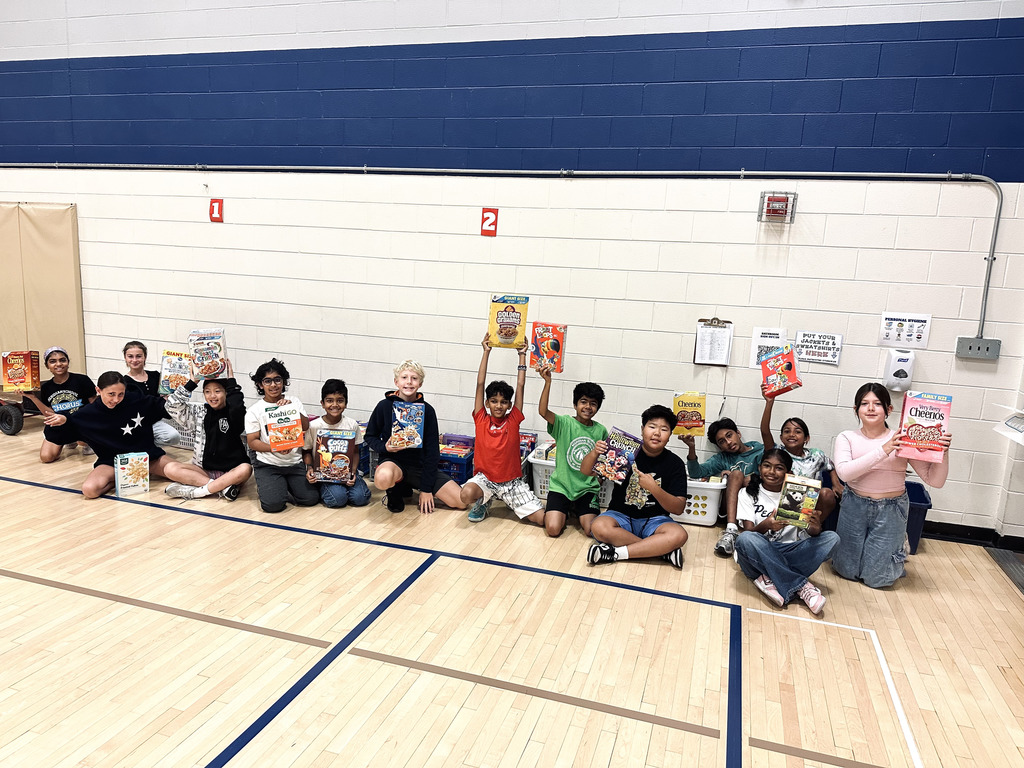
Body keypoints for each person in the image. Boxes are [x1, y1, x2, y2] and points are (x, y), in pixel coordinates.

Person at [832, 382, 951, 588]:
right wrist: (884, 449)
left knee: (878, 580)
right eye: (864, 403)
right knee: (846, 571)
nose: (870, 408)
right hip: (854, 505)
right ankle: (887, 550)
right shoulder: (847, 437)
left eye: (877, 404)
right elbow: (844, 473)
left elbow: (935, 481)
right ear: (856, 409)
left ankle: (895, 547)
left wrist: (944, 452)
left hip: (891, 509)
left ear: (889, 410)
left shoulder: (903, 439)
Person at [42, 371, 197, 499]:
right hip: (112, 462)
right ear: (98, 391)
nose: (116, 399)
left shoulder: (136, 400)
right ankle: (128, 478)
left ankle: (215, 483)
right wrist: (63, 421)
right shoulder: (86, 414)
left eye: (120, 394)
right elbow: (58, 437)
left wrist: (191, 383)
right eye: (111, 394)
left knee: (178, 470)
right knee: (89, 490)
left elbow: (166, 408)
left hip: (146, 457)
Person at [733, 449, 840, 614]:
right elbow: (749, 532)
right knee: (745, 539)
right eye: (767, 466)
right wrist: (767, 524)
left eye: (779, 468)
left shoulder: (799, 494)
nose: (772, 472)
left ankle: (770, 578)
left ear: (788, 472)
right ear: (760, 468)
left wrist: (815, 528)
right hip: (758, 552)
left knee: (831, 538)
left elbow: (810, 533)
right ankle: (802, 586)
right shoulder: (748, 493)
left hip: (789, 551)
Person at [583, 404, 688, 568]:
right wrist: (595, 453)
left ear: (670, 435)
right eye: (652, 426)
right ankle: (659, 551)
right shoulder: (625, 452)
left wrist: (653, 488)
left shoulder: (675, 464)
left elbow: (678, 508)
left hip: (655, 520)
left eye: (664, 429)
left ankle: (615, 553)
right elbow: (586, 471)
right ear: (642, 429)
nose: (657, 433)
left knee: (679, 535)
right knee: (598, 527)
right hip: (619, 516)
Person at [460, 335, 544, 525]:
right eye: (494, 401)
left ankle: (509, 500)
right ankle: (484, 500)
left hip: (511, 483)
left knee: (541, 520)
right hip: (485, 479)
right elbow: (480, 384)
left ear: (509, 405)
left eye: (504, 402)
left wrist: (522, 355)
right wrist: (486, 352)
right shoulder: (481, 418)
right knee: (465, 495)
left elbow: (520, 385)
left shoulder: (513, 419)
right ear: (487, 403)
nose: (499, 405)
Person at [364, 359, 464, 514]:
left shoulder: (427, 410)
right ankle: (394, 490)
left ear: (420, 384)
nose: (409, 382)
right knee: (383, 478)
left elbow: (432, 452)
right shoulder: (384, 406)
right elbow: (370, 436)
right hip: (393, 463)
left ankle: (408, 486)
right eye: (404, 377)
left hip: (420, 466)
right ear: (396, 381)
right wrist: (385, 447)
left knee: (461, 502)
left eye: (414, 378)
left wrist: (426, 489)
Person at [161, 359, 252, 501]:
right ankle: (222, 488)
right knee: (169, 468)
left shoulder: (233, 413)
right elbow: (171, 406)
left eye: (217, 391)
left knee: (246, 469)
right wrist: (193, 381)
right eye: (207, 392)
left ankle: (195, 492)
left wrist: (232, 382)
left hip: (231, 471)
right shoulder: (198, 412)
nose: (212, 396)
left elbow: (238, 408)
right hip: (204, 471)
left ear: (226, 393)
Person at [537, 365, 608, 537]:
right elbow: (543, 411)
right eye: (583, 402)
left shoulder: (601, 431)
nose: (588, 407)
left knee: (591, 530)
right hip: (561, 487)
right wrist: (547, 382)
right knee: (553, 529)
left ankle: (577, 508)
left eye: (593, 404)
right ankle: (565, 509)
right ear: (575, 404)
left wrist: (599, 478)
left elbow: (604, 462)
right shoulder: (564, 423)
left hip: (587, 489)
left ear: (597, 407)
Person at [679, 417, 764, 558]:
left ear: (738, 433)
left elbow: (770, 477)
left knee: (737, 475)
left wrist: (744, 479)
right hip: (731, 509)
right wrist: (691, 447)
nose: (728, 442)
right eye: (721, 442)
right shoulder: (722, 459)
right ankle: (731, 530)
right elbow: (696, 473)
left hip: (756, 504)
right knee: (736, 474)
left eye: (729, 435)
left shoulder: (760, 451)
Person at [245, 358, 320, 514]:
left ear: (284, 382)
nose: (273, 385)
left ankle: (285, 486)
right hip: (268, 463)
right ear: (260, 385)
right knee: (273, 506)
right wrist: (275, 448)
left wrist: (292, 409)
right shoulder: (254, 410)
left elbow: (306, 426)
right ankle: (275, 486)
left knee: (310, 499)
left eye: (277, 380)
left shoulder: (294, 401)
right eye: (267, 381)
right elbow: (252, 442)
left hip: (294, 462)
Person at [759, 384, 841, 520]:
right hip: (782, 501)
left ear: (806, 438)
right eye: (787, 431)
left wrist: (836, 483)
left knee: (827, 493)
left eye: (797, 432)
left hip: (810, 505)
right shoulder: (778, 452)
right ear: (781, 438)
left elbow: (831, 466)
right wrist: (769, 402)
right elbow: (765, 431)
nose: (791, 434)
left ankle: (813, 527)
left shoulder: (816, 455)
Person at [303, 378, 372, 509]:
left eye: (340, 400)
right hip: (324, 475)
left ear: (346, 403)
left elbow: (356, 451)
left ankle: (347, 488)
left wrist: (353, 472)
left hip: (346, 472)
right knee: (337, 499)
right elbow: (306, 450)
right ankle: (326, 489)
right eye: (329, 400)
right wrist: (310, 468)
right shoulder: (313, 426)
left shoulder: (351, 425)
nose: (335, 405)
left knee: (361, 498)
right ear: (322, 404)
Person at [19, 346, 95, 462]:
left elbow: (95, 406)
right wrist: (32, 397)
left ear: (68, 362)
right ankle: (68, 440)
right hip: (60, 425)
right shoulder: (46, 387)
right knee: (46, 457)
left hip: (81, 423)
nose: (58, 364)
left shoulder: (82, 380)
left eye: (62, 360)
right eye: (53, 361)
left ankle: (87, 442)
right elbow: (49, 414)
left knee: (81, 440)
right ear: (47, 366)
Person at [121, 340, 180, 447]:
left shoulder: (156, 376)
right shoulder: (124, 382)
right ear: (125, 358)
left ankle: (147, 446)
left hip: (155, 421)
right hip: (136, 424)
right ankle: (142, 446)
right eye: (130, 356)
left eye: (138, 356)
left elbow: (167, 394)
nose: (134, 360)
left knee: (174, 436)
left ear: (145, 357)